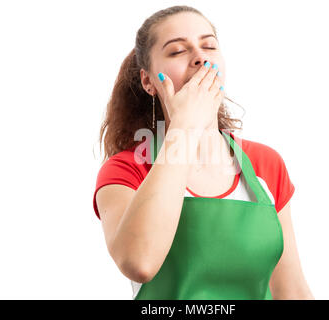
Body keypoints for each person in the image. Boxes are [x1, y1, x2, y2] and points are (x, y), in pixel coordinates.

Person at [93, 5, 314, 300]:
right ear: (148, 81)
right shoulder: (127, 170)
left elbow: (292, 291)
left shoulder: (265, 164)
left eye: (209, 45)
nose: (201, 56)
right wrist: (184, 125)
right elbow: (140, 262)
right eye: (177, 51)